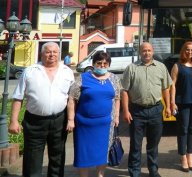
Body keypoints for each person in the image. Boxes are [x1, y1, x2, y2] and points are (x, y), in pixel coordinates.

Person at [8, 42, 74, 177]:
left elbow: (71, 98)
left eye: (55, 52)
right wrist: (14, 121)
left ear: (59, 54)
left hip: (59, 121)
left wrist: (71, 119)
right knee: (32, 159)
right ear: (42, 53)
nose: (52, 55)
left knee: (58, 158)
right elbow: (18, 97)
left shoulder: (67, 72)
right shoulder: (30, 71)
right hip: (34, 122)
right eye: (48, 52)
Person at [67, 51, 122, 177]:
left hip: (105, 124)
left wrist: (117, 117)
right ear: (93, 64)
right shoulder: (83, 78)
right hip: (84, 124)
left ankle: (100, 175)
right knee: (83, 153)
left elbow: (117, 98)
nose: (102, 66)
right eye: (99, 63)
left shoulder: (114, 78)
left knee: (103, 152)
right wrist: (71, 119)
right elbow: (71, 98)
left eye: (105, 63)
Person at [121, 42, 172, 177]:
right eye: (144, 51)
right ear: (140, 52)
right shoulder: (131, 68)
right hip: (137, 112)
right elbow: (124, 91)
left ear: (153, 51)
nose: (147, 53)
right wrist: (126, 111)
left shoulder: (161, 67)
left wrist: (168, 107)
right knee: (136, 145)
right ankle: (134, 172)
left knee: (153, 144)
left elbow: (166, 88)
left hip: (156, 110)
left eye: (149, 50)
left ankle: (153, 170)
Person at [170, 41, 192, 172]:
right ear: (183, 50)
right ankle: (183, 158)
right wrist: (172, 102)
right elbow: (172, 85)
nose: (190, 52)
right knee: (183, 130)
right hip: (182, 103)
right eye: (187, 49)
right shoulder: (177, 66)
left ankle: (190, 156)